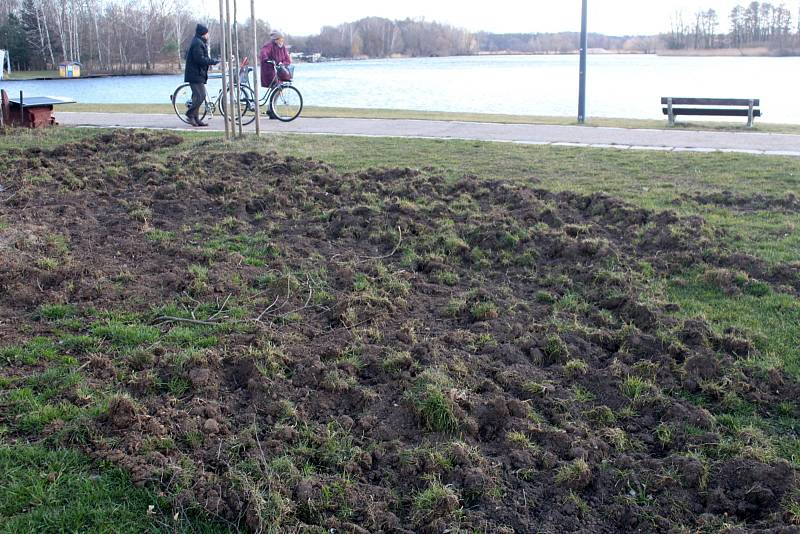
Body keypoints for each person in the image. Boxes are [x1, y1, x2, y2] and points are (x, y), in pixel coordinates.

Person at [184, 24, 219, 127]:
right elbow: (200, 59)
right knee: (201, 96)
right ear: (203, 33)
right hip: (195, 74)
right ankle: (190, 114)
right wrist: (212, 61)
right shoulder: (197, 43)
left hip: (198, 74)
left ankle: (196, 118)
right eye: (207, 33)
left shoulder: (199, 42)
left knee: (197, 97)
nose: (208, 35)